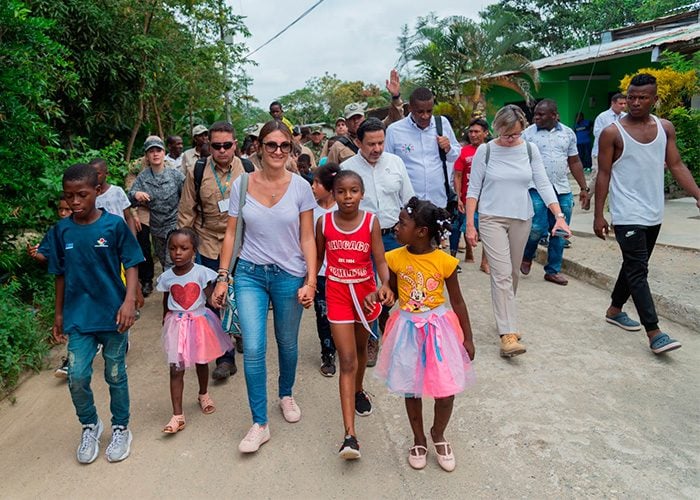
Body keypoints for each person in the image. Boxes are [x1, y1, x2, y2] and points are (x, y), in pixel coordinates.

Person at [213, 120, 317, 454]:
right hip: (250, 275)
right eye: (270, 145)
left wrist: (311, 281)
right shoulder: (241, 185)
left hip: (289, 274)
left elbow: (307, 237)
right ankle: (259, 422)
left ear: (291, 149)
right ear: (258, 148)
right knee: (254, 347)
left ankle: (285, 393)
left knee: (287, 342)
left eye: (283, 146)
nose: (276, 151)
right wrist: (222, 275)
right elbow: (231, 233)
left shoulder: (301, 187)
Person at [594, 73, 700, 355]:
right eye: (631, 97)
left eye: (642, 97)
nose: (635, 102)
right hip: (627, 212)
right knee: (639, 269)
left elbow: (676, 165)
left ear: (655, 99)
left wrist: (698, 194)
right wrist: (598, 214)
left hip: (654, 211)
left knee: (633, 266)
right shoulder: (612, 133)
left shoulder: (665, 128)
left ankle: (615, 309)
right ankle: (654, 332)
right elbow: (603, 175)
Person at [48, 163, 143, 464]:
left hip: (113, 314)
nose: (75, 202)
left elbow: (132, 262)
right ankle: (90, 424)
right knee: (76, 376)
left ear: (98, 192)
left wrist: (129, 302)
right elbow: (59, 274)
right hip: (79, 316)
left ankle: (120, 427)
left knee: (115, 374)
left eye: (82, 195)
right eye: (69, 196)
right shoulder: (61, 231)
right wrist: (58, 313)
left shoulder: (113, 226)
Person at [373, 197, 475, 472]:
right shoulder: (394, 258)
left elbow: (458, 301)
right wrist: (382, 307)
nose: (396, 227)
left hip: (439, 331)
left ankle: (438, 434)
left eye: (402, 223)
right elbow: (391, 294)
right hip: (407, 330)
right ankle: (418, 439)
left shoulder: (445, 262)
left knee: (446, 389)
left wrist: (468, 337)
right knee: (411, 386)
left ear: (421, 231)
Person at [466, 105, 571, 358]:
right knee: (501, 274)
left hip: (521, 217)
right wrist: (471, 223)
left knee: (512, 273)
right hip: (492, 218)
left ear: (523, 129)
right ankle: (508, 334)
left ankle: (505, 319)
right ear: (497, 128)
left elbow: (543, 183)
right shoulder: (486, 150)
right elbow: (473, 189)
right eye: (505, 134)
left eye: (515, 134)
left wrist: (558, 216)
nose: (510, 139)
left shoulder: (529, 149)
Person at [315, 170, 394, 460]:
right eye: (341, 192)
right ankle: (350, 435)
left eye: (353, 191)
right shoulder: (323, 223)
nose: (347, 197)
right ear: (333, 194)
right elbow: (319, 258)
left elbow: (379, 259)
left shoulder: (371, 222)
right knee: (346, 358)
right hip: (336, 294)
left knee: (361, 351)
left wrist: (385, 283)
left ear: (362, 193)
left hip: (366, 294)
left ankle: (359, 390)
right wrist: (310, 282)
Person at [342, 117, 415, 366]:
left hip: (394, 237)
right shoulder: (347, 168)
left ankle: (395, 328)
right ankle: (371, 339)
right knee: (368, 290)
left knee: (397, 286)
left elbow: (409, 199)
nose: (377, 149)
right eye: (371, 144)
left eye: (381, 143)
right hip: (362, 239)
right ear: (358, 142)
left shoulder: (395, 163)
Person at [178, 121, 246, 381]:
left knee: (240, 294)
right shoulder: (197, 172)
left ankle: (241, 333)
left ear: (235, 145)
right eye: (215, 146)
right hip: (207, 241)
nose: (221, 151)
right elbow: (186, 212)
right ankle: (225, 357)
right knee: (216, 300)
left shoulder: (248, 169)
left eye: (227, 145)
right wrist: (185, 252)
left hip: (241, 243)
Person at [157, 228, 233, 434]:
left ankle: (203, 393)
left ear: (194, 250)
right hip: (176, 324)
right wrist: (165, 320)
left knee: (201, 361)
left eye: (184, 248)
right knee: (176, 368)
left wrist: (219, 301)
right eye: (172, 248)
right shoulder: (166, 277)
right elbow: (167, 300)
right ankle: (177, 415)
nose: (177, 253)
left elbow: (209, 298)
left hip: (199, 322)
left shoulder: (201, 272)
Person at [520, 99, 590, 286]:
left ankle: (552, 270)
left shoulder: (568, 133)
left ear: (553, 115)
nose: (536, 117)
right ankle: (527, 255)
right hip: (536, 189)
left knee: (560, 231)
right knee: (536, 227)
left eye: (541, 114)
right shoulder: (527, 135)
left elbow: (574, 161)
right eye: (535, 114)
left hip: (562, 189)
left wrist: (583, 188)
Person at [384, 87, 460, 209]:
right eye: (420, 112)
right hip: (408, 205)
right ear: (410, 109)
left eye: (429, 111)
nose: (425, 116)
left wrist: (448, 148)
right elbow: (386, 165)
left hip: (438, 203)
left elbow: (454, 156)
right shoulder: (394, 131)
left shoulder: (442, 124)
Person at [27, 197, 72, 378]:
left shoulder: (92, 227)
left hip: (95, 286)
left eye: (67, 210)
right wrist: (36, 255)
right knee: (74, 324)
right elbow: (47, 256)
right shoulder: (56, 232)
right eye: (60, 209)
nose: (63, 213)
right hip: (70, 287)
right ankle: (71, 361)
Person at [129, 136, 184, 272]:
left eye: (158, 150)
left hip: (174, 224)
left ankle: (173, 290)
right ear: (147, 156)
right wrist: (136, 195)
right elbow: (130, 196)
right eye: (151, 151)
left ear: (164, 153)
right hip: (156, 227)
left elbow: (187, 197)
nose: (155, 154)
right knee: (164, 260)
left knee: (172, 261)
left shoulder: (175, 175)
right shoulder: (143, 177)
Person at [311, 163, 340, 376]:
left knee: (341, 314)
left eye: (317, 183)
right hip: (320, 274)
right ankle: (327, 352)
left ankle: (344, 347)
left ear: (329, 187)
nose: (312, 187)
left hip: (343, 273)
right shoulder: (310, 211)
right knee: (323, 314)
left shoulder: (345, 210)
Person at [453, 118, 490, 274]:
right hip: (469, 199)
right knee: (469, 226)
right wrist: (459, 197)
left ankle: (485, 262)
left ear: (485, 133)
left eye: (477, 132)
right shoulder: (463, 152)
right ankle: (469, 251)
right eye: (471, 132)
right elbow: (458, 175)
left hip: (489, 198)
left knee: (488, 230)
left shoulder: (492, 150)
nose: (473, 135)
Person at [586, 94, 627, 209]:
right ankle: (587, 196)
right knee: (597, 176)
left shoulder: (626, 117)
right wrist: (614, 136)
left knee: (614, 178)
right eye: (620, 104)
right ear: (613, 103)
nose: (623, 106)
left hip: (618, 153)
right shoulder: (603, 117)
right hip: (600, 152)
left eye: (625, 103)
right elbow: (598, 134)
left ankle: (611, 204)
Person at [91, 158, 137, 235]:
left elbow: (128, 218)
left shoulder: (117, 191)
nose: (94, 177)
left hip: (121, 235)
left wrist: (133, 240)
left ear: (106, 174)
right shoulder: (89, 196)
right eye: (91, 174)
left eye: (97, 174)